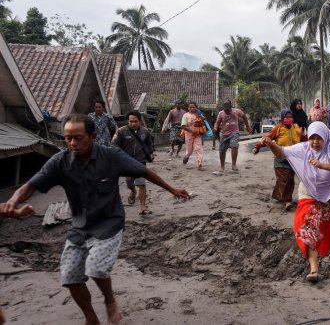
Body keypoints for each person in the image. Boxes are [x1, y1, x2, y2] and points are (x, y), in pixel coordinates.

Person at [0, 114, 190, 325]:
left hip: (110, 223)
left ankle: (110, 302)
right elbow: (30, 186)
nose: (72, 143)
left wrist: (172, 189)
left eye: (78, 138)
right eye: (68, 138)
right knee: (70, 276)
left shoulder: (111, 156)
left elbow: (144, 171)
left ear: (92, 136)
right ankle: (91, 318)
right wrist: (12, 202)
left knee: (96, 267)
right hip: (80, 226)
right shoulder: (60, 162)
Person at [260, 121, 330, 283]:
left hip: (329, 194)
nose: (315, 142)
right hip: (308, 192)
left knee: (328, 226)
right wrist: (270, 143)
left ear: (325, 138)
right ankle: (314, 269)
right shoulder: (303, 148)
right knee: (309, 225)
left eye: (319, 139)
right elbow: (281, 152)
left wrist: (323, 165)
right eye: (312, 138)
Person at [253, 108, 307, 211]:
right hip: (280, 158)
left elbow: (304, 138)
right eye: (286, 117)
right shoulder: (278, 128)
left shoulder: (296, 127)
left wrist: (314, 140)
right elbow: (267, 138)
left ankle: (283, 198)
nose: (289, 119)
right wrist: (257, 147)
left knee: (290, 180)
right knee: (284, 178)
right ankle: (287, 201)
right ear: (282, 118)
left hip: (292, 159)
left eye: (290, 117)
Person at [113, 111, 154, 215]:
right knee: (129, 182)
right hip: (126, 161)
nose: (133, 123)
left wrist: (150, 153)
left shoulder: (145, 132)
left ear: (139, 121)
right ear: (128, 121)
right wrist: (120, 155)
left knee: (141, 183)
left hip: (140, 161)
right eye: (131, 121)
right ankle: (133, 191)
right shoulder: (121, 131)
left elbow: (149, 144)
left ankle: (143, 207)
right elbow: (113, 145)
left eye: (135, 121)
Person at [213, 100, 252, 173]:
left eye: (228, 109)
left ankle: (233, 165)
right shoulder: (221, 113)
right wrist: (215, 128)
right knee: (222, 150)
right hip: (224, 134)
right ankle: (222, 166)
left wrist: (247, 126)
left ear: (231, 107)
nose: (226, 111)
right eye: (225, 109)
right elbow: (217, 123)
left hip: (234, 132)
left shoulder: (237, 111)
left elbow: (244, 117)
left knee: (234, 146)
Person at [181, 102, 206, 170]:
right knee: (190, 150)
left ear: (195, 108)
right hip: (189, 135)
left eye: (193, 107)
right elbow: (183, 126)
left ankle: (200, 164)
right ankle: (187, 156)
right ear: (188, 108)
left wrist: (203, 119)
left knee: (199, 148)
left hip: (197, 135)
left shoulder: (198, 115)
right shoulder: (185, 115)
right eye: (190, 107)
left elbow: (202, 124)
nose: (192, 108)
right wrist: (192, 131)